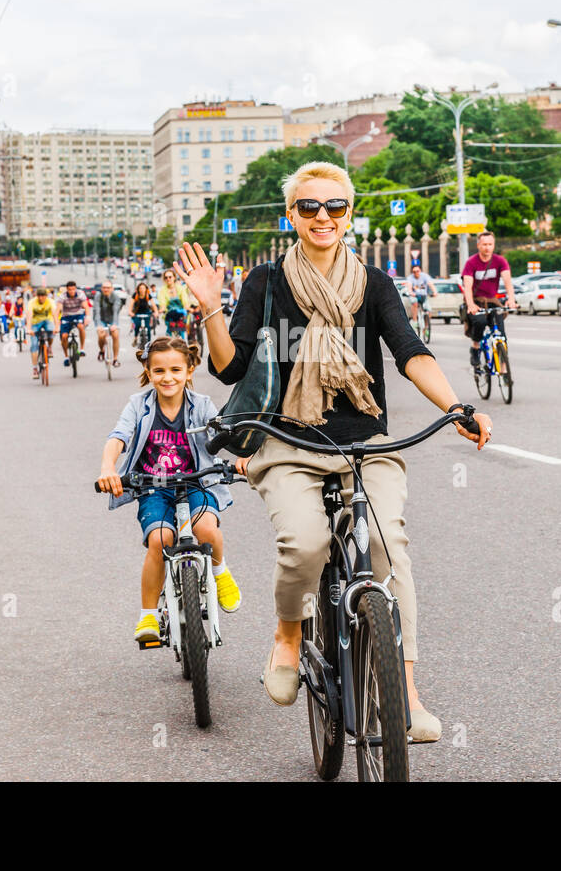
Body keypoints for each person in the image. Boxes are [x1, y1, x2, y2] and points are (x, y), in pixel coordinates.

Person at [178, 160, 491, 744]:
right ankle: (289, 635)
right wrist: (210, 308)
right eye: (309, 207)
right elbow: (230, 367)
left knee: (387, 548)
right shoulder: (264, 284)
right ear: (291, 215)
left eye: (335, 207)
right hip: (289, 441)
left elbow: (410, 351)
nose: (323, 217)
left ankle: (409, 695)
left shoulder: (373, 285)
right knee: (305, 542)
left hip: (366, 440)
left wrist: (455, 407)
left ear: (349, 214)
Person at [97, 336, 241, 643]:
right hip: (154, 488)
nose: (168, 377)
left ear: (189, 370)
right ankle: (148, 615)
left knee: (207, 530)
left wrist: (242, 458)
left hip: (196, 482)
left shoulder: (201, 405)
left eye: (176, 369)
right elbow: (118, 436)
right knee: (159, 540)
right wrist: (108, 468)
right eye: (159, 371)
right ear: (148, 373)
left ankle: (220, 572)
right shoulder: (139, 405)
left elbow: (222, 435)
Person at [460, 231, 517, 367]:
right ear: (478, 245)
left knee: (500, 332)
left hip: (492, 301)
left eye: (490, 244)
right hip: (476, 301)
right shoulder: (471, 263)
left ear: (494, 245)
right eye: (484, 244)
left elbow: (508, 282)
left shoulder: (500, 261)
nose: (487, 247)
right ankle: (475, 348)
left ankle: (503, 366)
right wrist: (471, 305)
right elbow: (467, 287)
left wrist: (511, 299)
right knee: (479, 322)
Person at [56, 280, 90, 368]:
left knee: (80, 326)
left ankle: (82, 349)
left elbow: (86, 306)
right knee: (64, 336)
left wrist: (87, 317)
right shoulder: (62, 296)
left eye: (73, 289)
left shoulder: (80, 294)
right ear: (67, 290)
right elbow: (58, 310)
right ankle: (66, 357)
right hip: (66, 316)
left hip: (78, 314)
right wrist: (56, 324)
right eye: (70, 290)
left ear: (76, 288)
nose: (72, 291)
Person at [24, 287, 56, 378]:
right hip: (35, 323)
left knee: (52, 331)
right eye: (39, 296)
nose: (41, 298)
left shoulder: (50, 301)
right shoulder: (32, 302)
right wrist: (29, 329)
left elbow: (54, 314)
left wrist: (57, 327)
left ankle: (49, 347)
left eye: (43, 296)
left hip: (47, 321)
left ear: (46, 296)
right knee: (34, 345)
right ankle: (34, 369)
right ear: (36, 296)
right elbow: (29, 316)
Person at [93, 280, 125, 367]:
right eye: (104, 287)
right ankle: (102, 350)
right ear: (101, 289)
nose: (106, 289)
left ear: (112, 289)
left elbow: (116, 312)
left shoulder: (116, 297)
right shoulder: (98, 297)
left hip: (112, 319)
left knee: (115, 335)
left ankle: (115, 359)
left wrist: (114, 324)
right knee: (101, 335)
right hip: (101, 319)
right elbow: (97, 311)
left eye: (108, 287)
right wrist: (99, 325)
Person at [154, 268, 192, 339]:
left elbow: (185, 300)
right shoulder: (162, 290)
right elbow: (162, 303)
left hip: (180, 313)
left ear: (174, 277)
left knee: (182, 333)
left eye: (170, 277)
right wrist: (161, 309)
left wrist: (187, 307)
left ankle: (184, 346)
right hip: (169, 314)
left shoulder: (180, 288)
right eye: (166, 277)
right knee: (169, 334)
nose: (168, 279)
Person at [404, 259, 436, 327]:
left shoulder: (424, 276)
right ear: (412, 272)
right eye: (414, 271)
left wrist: (435, 292)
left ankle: (426, 328)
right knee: (414, 302)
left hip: (423, 296)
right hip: (414, 295)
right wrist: (411, 292)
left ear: (420, 271)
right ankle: (415, 321)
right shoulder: (410, 278)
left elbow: (430, 284)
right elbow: (409, 286)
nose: (416, 273)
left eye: (417, 271)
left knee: (429, 311)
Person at [129, 282, 154, 349]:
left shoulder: (148, 295)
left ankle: (149, 344)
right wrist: (130, 312)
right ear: (138, 289)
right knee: (137, 326)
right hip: (137, 313)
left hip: (146, 313)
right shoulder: (135, 295)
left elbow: (153, 305)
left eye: (143, 288)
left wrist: (156, 312)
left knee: (148, 329)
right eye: (140, 288)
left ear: (146, 289)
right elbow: (131, 305)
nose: (142, 290)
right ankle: (135, 338)